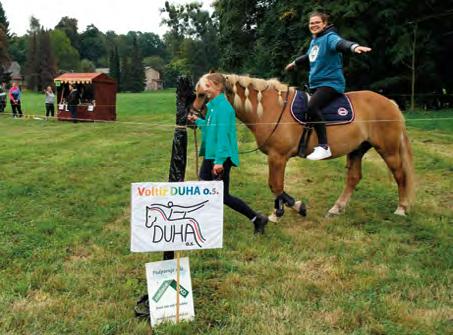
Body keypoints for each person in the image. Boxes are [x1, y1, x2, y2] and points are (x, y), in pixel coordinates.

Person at [187, 73, 268, 234]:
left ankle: (257, 218)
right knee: (204, 188)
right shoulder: (213, 106)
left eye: (208, 86)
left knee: (222, 196)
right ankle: (205, 224)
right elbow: (212, 130)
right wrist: (198, 121)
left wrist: (219, 162)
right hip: (211, 155)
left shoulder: (224, 108)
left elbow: (223, 137)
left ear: (218, 86)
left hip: (220, 157)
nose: (205, 90)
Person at [285, 11, 371, 160]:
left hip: (331, 84)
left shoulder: (330, 37)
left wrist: (353, 47)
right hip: (317, 85)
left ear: (324, 24)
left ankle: (324, 147)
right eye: (311, 23)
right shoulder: (315, 41)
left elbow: (340, 44)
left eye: (317, 22)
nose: (314, 25)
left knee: (312, 107)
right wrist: (295, 63)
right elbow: (310, 56)